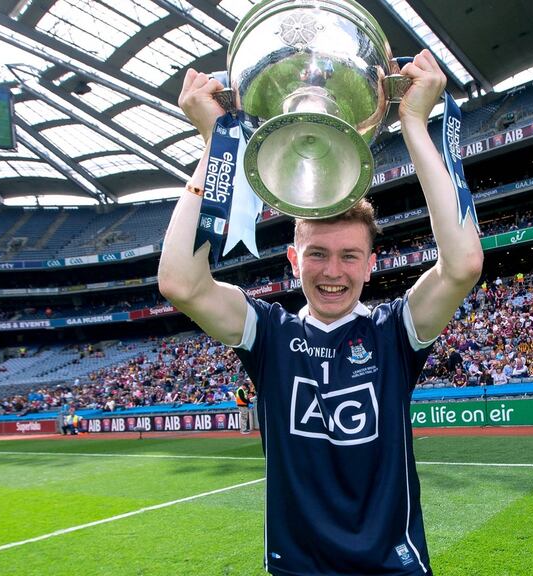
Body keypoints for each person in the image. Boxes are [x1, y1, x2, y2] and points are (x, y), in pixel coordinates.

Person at [159, 50, 483, 575]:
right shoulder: (269, 334)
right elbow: (180, 282)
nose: (333, 271)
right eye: (317, 254)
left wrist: (414, 124)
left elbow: (462, 264)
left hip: (393, 567)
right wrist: (213, 146)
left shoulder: (393, 332)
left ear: (371, 264)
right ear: (293, 260)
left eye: (350, 255)